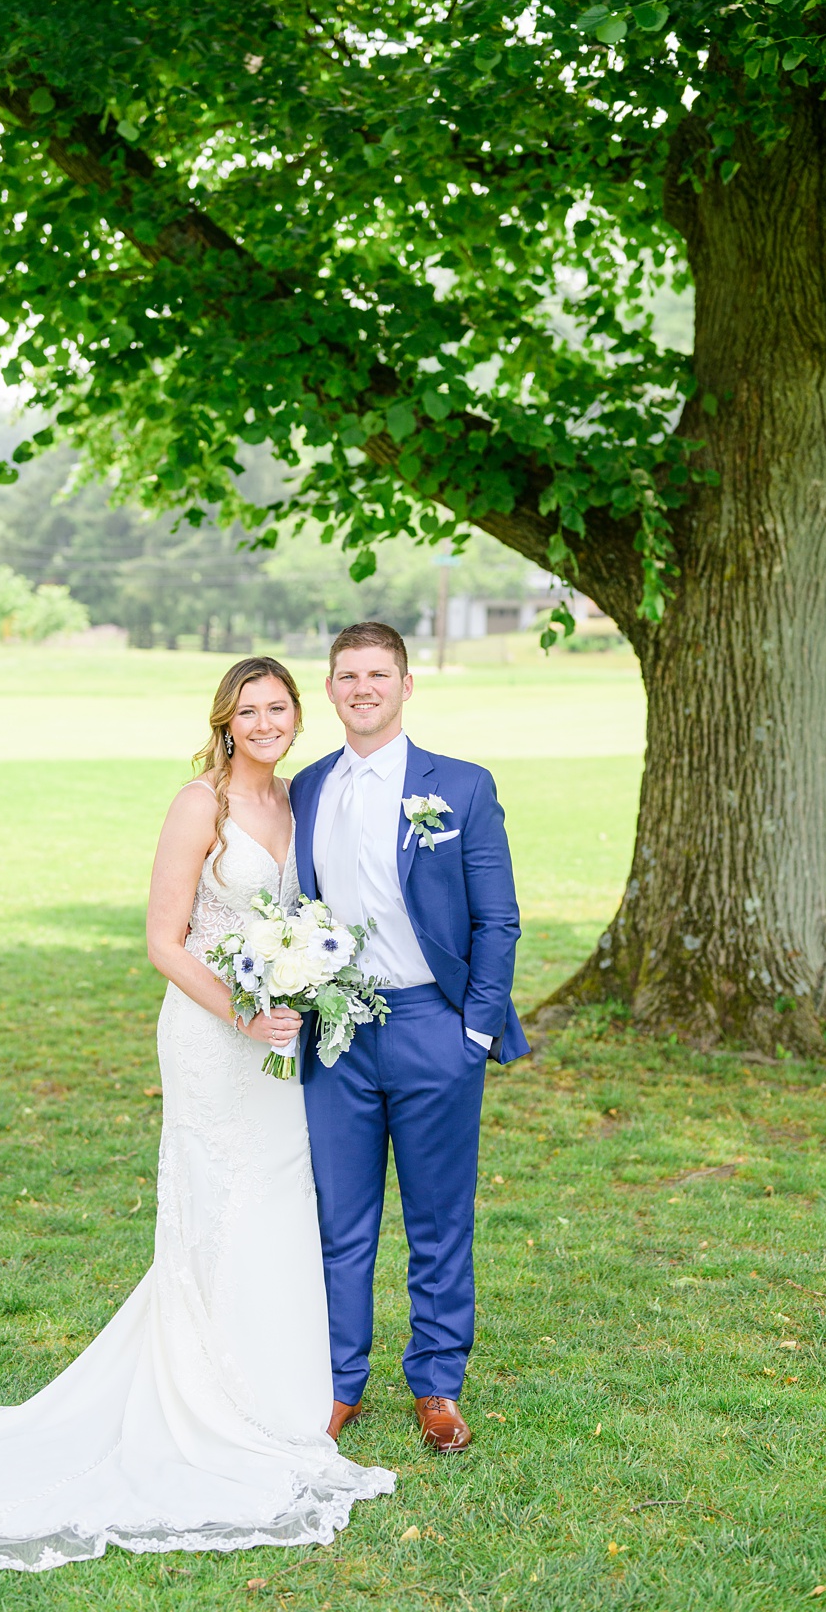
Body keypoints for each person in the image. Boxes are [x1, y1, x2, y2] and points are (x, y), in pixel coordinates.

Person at [0, 656, 395, 1577]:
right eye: (248, 710)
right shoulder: (205, 805)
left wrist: (298, 978)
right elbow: (162, 937)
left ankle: (280, 1395)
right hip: (212, 1031)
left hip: (278, 1036)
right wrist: (242, 1007)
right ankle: (206, 1396)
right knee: (215, 1197)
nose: (265, 722)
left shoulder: (295, 802)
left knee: (277, 1197)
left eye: (278, 707)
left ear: (296, 714)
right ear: (224, 720)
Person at [292, 621, 524, 1455]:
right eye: (347, 675)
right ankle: (337, 1386)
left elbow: (498, 917)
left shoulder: (458, 786)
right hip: (336, 1037)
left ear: (406, 685)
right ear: (329, 689)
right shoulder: (307, 788)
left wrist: (474, 1029)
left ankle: (436, 1384)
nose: (362, 688)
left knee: (437, 1219)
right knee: (340, 1220)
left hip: (433, 1026)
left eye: (378, 674)